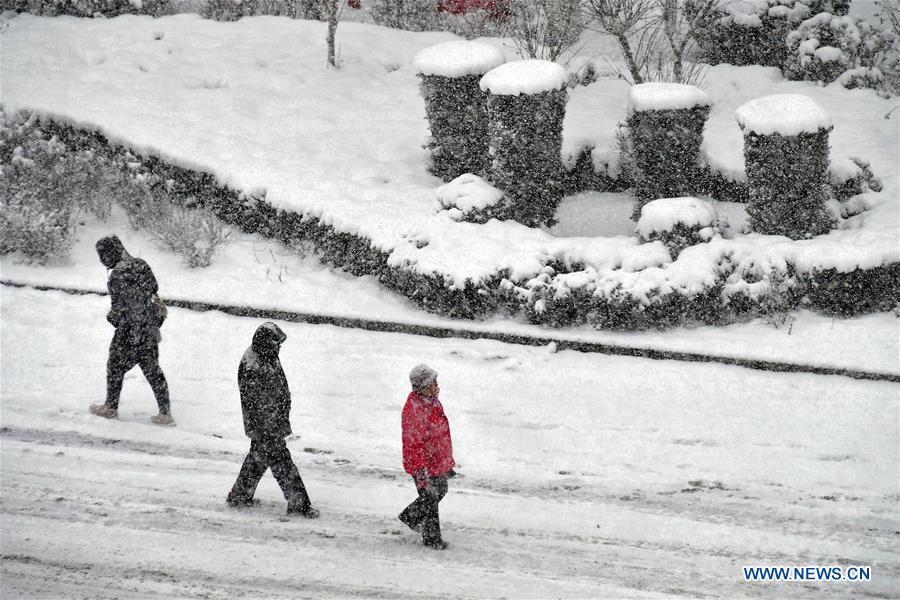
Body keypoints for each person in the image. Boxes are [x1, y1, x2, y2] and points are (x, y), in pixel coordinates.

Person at [227, 322, 319, 518]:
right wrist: (270, 427)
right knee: (282, 463)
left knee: (257, 458)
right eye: (276, 344)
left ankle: (240, 495)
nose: (279, 348)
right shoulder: (255, 365)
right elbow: (257, 402)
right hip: (266, 424)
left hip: (271, 422)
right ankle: (299, 503)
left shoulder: (266, 356)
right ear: (266, 343)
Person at [90, 235, 173, 425]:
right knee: (152, 369)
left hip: (129, 330)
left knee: (114, 366)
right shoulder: (141, 265)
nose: (102, 259)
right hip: (149, 328)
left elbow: (122, 308)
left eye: (102, 255)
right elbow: (153, 292)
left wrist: (113, 318)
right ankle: (165, 413)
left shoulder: (119, 274)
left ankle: (110, 407)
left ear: (110, 254)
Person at [398, 364, 456, 550]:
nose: (437, 386)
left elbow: (438, 434)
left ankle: (411, 515)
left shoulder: (431, 401)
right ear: (422, 387)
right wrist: (421, 470)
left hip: (435, 460)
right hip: (422, 463)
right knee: (430, 497)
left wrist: (445, 463)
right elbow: (414, 444)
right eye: (433, 383)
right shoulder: (415, 409)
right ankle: (432, 539)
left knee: (440, 490)